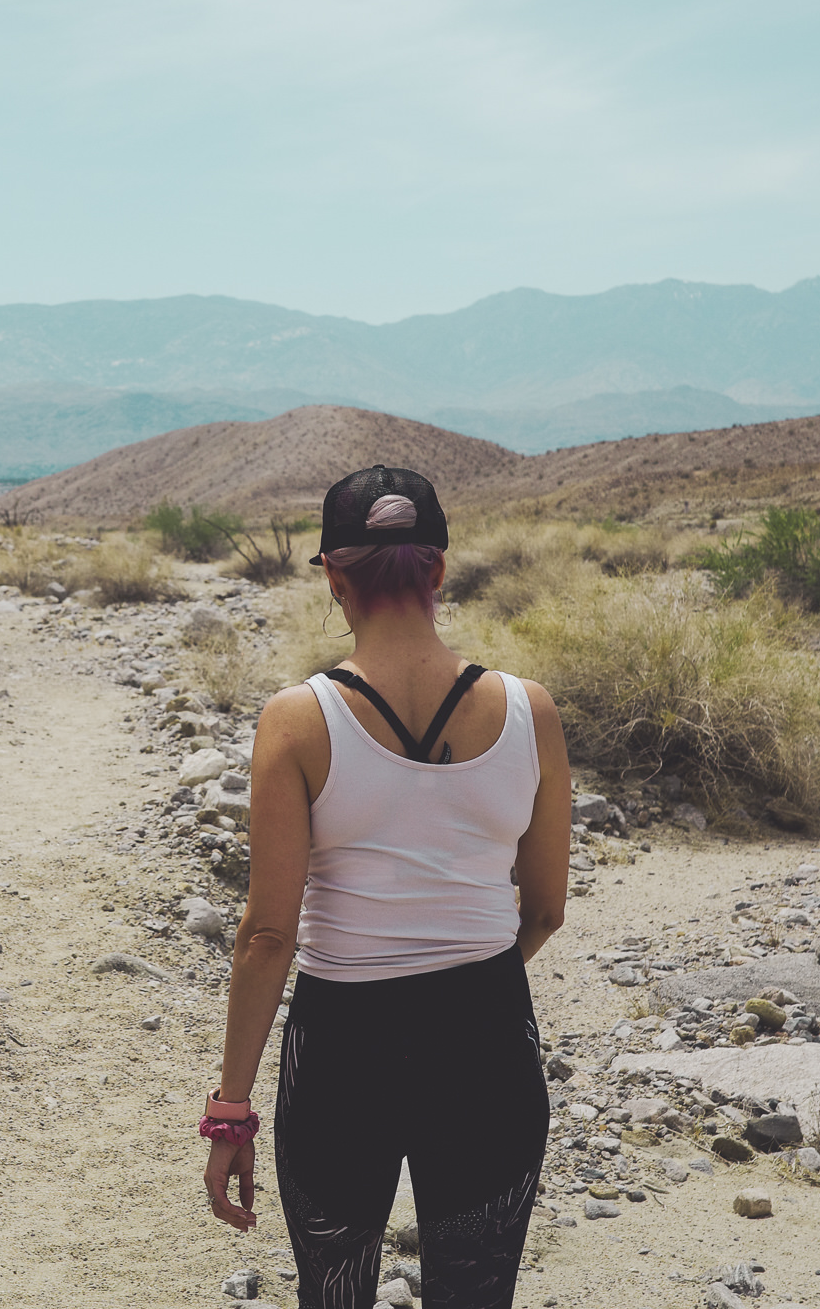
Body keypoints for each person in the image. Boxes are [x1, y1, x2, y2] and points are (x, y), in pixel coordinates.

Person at [198, 465, 573, 1309]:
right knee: (475, 1292)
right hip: (486, 1034)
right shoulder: (531, 711)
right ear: (438, 569)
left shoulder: (297, 720)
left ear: (335, 579)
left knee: (333, 1290)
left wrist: (231, 1112)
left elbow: (268, 936)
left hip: (342, 1044)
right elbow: (547, 909)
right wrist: (464, 976)